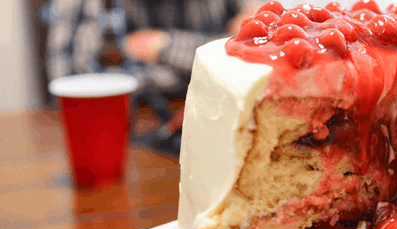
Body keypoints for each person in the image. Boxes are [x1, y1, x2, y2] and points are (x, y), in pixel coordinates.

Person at [44, 0, 256, 152]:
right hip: (121, 139)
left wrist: (164, 45)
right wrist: (196, 56)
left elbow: (251, 56)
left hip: (217, 134)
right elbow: (71, 81)